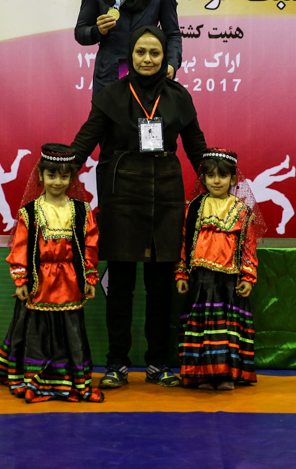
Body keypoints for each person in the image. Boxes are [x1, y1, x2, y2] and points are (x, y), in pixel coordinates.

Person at [71, 25, 208, 388]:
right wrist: (60, 168)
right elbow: (85, 140)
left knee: (161, 286)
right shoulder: (111, 95)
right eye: (141, 52)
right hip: (122, 195)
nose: (147, 59)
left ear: (165, 57)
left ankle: (158, 363)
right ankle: (117, 363)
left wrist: (223, 185)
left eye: (155, 53)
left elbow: (197, 149)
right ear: (130, 56)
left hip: (166, 196)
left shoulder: (179, 96)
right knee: (120, 286)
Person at [0, 144, 104, 403]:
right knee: (35, 329)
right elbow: (20, 248)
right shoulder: (30, 212)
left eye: (64, 176)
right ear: (40, 176)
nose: (57, 182)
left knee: (70, 329)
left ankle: (70, 380)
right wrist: (21, 280)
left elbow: (90, 246)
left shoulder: (81, 211)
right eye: (51, 175)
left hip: (70, 282)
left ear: (72, 178)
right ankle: (33, 377)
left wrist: (90, 278)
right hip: (39, 284)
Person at [176, 148, 263, 390]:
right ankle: (202, 375)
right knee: (202, 328)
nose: (217, 181)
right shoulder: (194, 208)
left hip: (229, 282)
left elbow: (248, 246)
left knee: (226, 329)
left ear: (233, 179)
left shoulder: (242, 210)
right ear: (203, 178)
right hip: (201, 281)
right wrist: (182, 273)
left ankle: (226, 375)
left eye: (223, 176)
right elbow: (184, 243)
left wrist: (248, 276)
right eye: (211, 175)